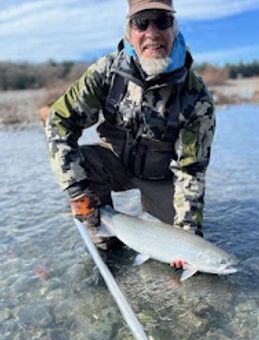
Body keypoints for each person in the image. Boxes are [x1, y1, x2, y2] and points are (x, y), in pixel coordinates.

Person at [43, 0, 215, 266]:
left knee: (175, 250)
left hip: (161, 177)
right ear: (129, 32)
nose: (152, 32)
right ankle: (105, 236)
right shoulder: (106, 72)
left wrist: (188, 235)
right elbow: (59, 120)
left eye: (162, 20)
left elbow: (191, 171)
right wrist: (77, 191)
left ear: (175, 29)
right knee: (82, 166)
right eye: (141, 22)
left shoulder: (196, 96)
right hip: (113, 163)